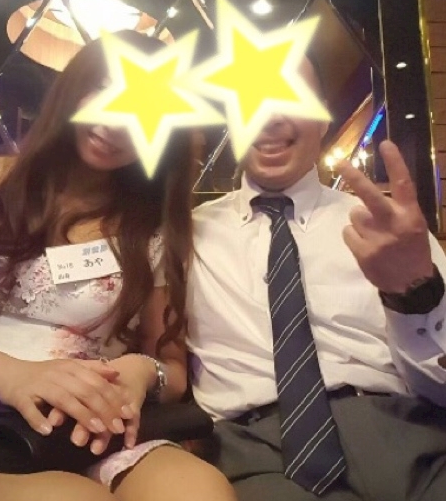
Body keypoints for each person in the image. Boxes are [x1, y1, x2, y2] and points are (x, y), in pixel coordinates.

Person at [0, 31, 236, 501]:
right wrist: (10, 373)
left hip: (86, 425)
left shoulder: (153, 230)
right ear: (74, 87)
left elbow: (172, 366)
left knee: (200, 491)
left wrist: (139, 372)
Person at [186, 54, 446, 501]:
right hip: (257, 451)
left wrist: (415, 296)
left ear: (323, 116)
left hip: (409, 437)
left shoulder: (385, 228)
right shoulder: (183, 235)